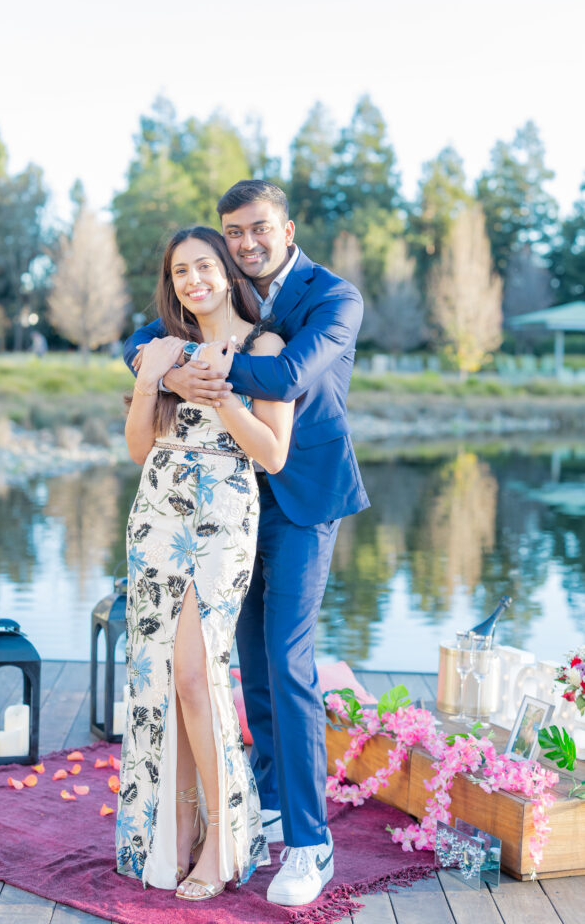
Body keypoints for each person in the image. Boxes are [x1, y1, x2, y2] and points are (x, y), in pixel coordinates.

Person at [125, 180, 370, 907]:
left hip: (297, 495)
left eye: (258, 228)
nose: (246, 242)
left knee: (287, 663)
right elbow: (136, 344)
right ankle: (259, 807)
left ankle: (309, 845)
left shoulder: (333, 298)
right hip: (216, 508)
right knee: (248, 670)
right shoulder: (216, 285)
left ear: (287, 228)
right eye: (234, 231)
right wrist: (162, 366)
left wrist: (190, 369)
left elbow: (289, 374)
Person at [117, 225, 295, 902]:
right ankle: (178, 831)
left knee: (196, 673)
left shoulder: (264, 346)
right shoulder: (161, 346)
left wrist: (222, 393)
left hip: (222, 517)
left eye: (203, 266)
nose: (192, 280)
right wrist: (155, 379)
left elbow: (273, 454)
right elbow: (141, 447)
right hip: (157, 512)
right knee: (163, 679)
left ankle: (225, 837)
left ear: (226, 270)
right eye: (179, 271)